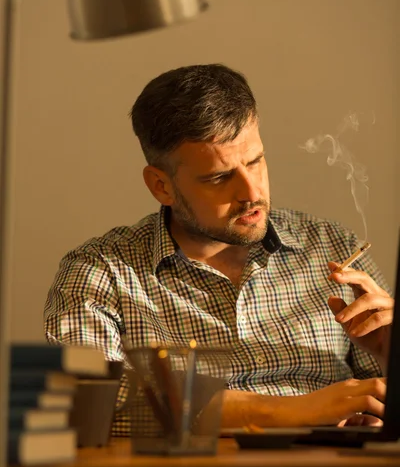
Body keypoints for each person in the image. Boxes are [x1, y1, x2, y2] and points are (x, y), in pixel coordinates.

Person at [44, 64, 394, 436]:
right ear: (161, 186)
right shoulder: (100, 271)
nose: (251, 193)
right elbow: (88, 403)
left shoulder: (333, 245)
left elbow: (380, 398)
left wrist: (389, 355)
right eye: (219, 177)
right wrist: (288, 411)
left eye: (255, 162)